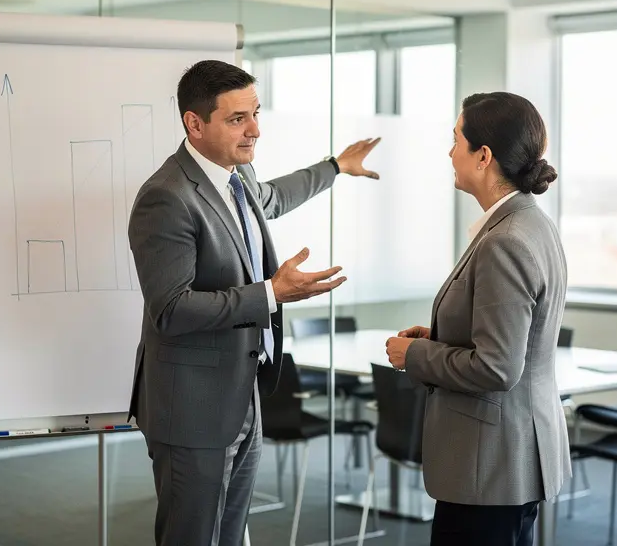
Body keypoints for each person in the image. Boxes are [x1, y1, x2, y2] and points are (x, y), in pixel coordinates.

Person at [127, 59, 381, 546]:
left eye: (256, 114)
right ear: (194, 124)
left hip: (243, 392)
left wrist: (335, 168)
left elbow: (273, 198)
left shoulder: (236, 179)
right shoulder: (167, 197)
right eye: (237, 119)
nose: (255, 131)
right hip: (193, 408)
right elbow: (172, 309)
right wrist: (271, 293)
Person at [383, 91, 571, 546]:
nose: (449, 153)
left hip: (489, 466)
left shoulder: (505, 241)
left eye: (455, 140)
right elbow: (511, 340)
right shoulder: (531, 223)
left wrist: (417, 355)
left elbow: (498, 367)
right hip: (509, 457)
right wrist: (442, 335)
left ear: (483, 156)